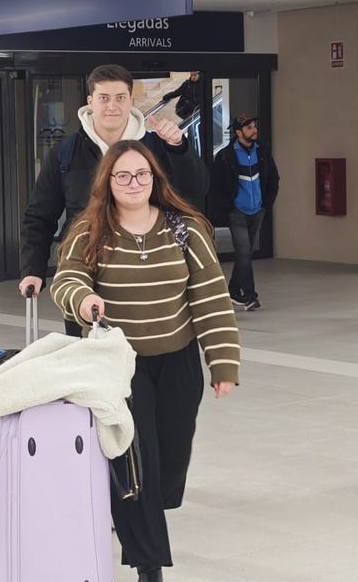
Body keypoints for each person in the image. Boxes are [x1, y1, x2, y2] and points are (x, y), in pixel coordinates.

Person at [49, 139, 240, 582]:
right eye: (123, 175)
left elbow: (210, 299)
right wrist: (83, 298)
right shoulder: (90, 230)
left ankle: (144, 510)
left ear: (155, 179)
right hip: (120, 369)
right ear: (107, 182)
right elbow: (67, 278)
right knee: (137, 463)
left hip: (178, 364)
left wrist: (223, 363)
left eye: (142, 175)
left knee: (169, 464)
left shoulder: (185, 230)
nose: (133, 183)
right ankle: (148, 562)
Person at [20, 64, 207, 332]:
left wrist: (179, 149)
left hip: (146, 272)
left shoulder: (155, 146)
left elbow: (195, 192)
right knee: (88, 362)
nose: (112, 106)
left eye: (120, 98)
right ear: (90, 101)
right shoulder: (67, 152)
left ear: (131, 100)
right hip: (85, 273)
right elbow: (40, 215)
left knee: (145, 354)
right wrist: (32, 269)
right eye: (104, 98)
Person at [207, 113, 280, 311]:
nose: (254, 130)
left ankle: (232, 290)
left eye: (254, 126)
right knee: (244, 253)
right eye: (249, 128)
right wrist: (228, 207)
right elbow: (216, 186)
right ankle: (250, 296)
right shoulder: (225, 156)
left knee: (245, 254)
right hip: (237, 212)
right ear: (238, 132)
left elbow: (273, 179)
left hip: (258, 211)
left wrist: (266, 204)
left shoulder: (262, 151)